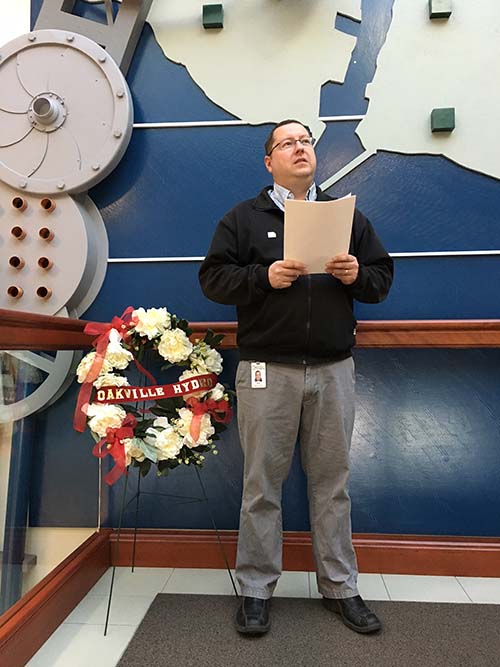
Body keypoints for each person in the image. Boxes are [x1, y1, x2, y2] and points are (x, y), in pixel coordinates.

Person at [199, 119, 393, 636]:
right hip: (267, 370)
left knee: (334, 485)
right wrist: (262, 277)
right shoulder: (243, 219)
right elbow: (212, 279)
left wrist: (357, 275)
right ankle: (257, 590)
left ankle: (340, 587)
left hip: (334, 371)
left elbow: (381, 279)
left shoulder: (345, 216)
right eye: (288, 142)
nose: (300, 148)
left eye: (306, 140)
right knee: (261, 485)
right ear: (269, 161)